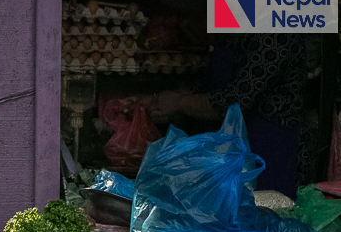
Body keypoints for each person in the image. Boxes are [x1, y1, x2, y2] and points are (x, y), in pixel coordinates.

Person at [131, 34, 308, 198]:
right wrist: (162, 100)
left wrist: (179, 103)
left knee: (264, 212)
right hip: (231, 146)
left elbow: (236, 99)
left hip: (268, 144)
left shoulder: (275, 36)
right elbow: (213, 86)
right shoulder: (233, 33)